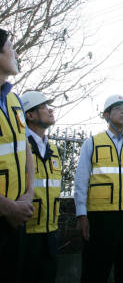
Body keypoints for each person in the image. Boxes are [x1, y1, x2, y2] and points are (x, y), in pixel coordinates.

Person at [74, 94, 123, 283]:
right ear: (106, 115)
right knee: (94, 272)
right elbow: (81, 180)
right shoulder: (92, 142)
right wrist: (81, 215)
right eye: (117, 108)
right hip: (100, 219)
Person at [0, 29, 35, 282]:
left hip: (16, 217)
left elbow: (26, 150)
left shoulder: (15, 101)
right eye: (10, 46)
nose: (15, 52)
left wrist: (29, 193)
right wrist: (7, 207)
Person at [21, 90, 62, 283]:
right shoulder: (19, 146)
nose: (50, 110)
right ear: (29, 115)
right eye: (44, 107)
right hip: (25, 235)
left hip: (50, 234)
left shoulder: (53, 149)